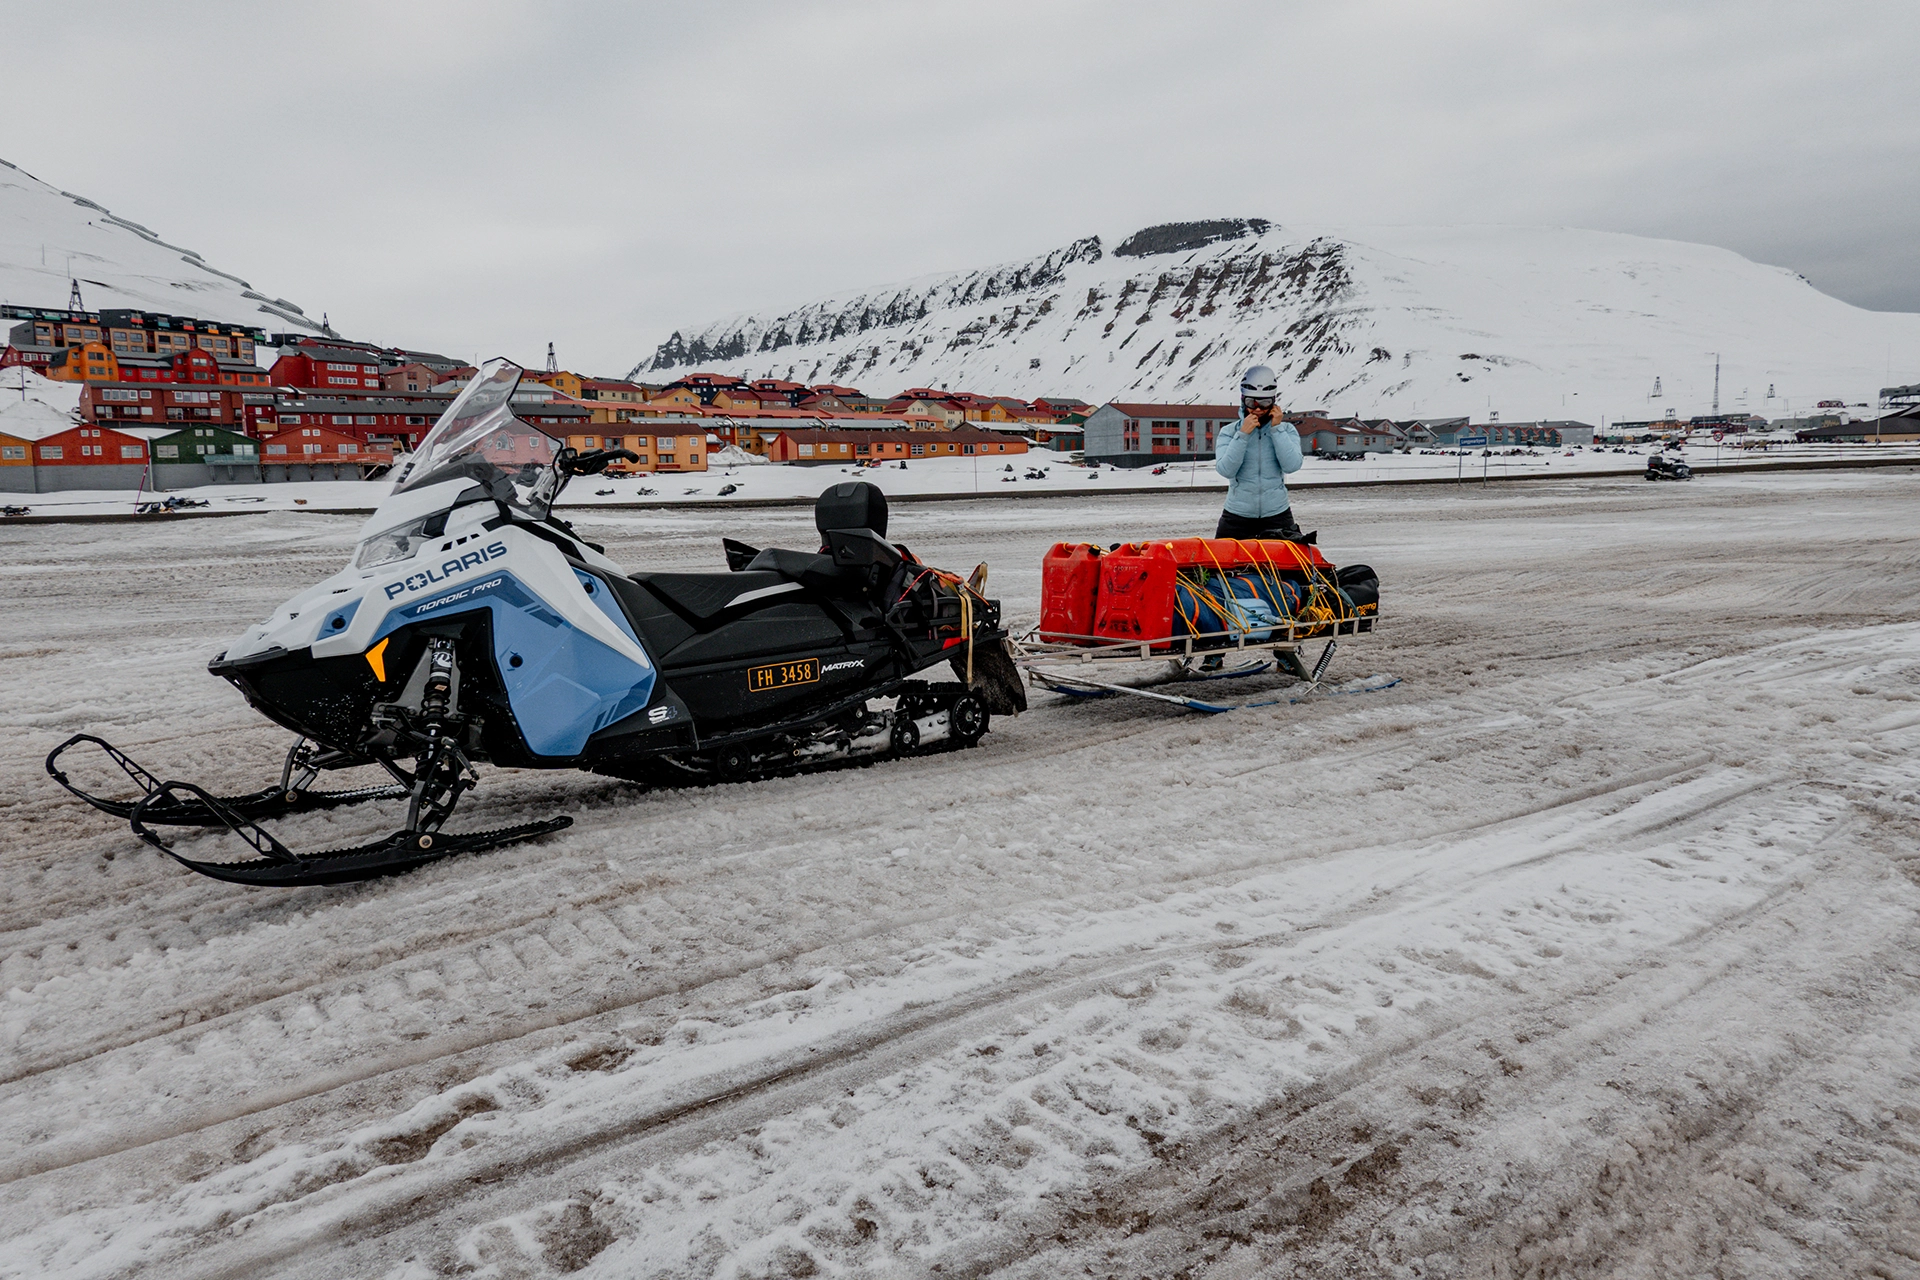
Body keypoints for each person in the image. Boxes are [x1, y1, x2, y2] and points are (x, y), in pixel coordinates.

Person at [1212, 365, 1304, 540]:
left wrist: (1277, 430)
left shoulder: (1287, 430)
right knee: (1222, 566)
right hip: (1236, 517)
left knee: (1289, 566)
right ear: (1242, 400)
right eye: (1251, 403)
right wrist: (1243, 435)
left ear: (1273, 402)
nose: (1258, 409)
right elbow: (1226, 470)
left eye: (1264, 403)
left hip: (1278, 515)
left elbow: (1292, 465)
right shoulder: (1229, 432)